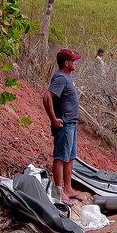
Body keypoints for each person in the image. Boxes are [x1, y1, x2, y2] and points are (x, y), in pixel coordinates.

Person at [42, 48, 83, 203]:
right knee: (60, 157)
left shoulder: (67, 78)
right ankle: (58, 192)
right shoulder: (60, 77)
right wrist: (53, 119)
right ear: (66, 63)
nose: (74, 63)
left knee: (70, 157)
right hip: (64, 125)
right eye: (73, 60)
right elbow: (47, 96)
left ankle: (68, 188)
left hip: (71, 124)